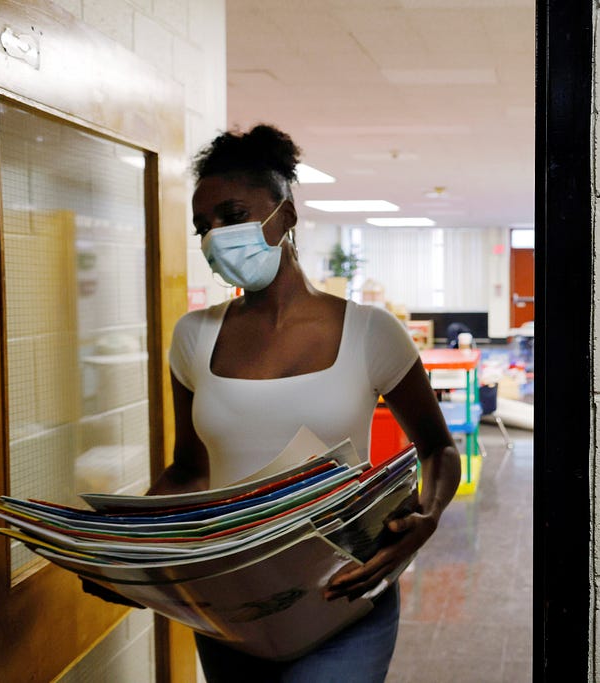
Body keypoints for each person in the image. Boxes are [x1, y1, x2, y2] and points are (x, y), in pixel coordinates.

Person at [147, 124, 461, 682]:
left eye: (233, 214)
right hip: (232, 608)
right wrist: (126, 547)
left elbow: (438, 448)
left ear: (285, 217)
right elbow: (190, 471)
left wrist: (429, 516)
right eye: (204, 225)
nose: (216, 236)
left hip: (343, 597)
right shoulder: (192, 338)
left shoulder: (370, 332)